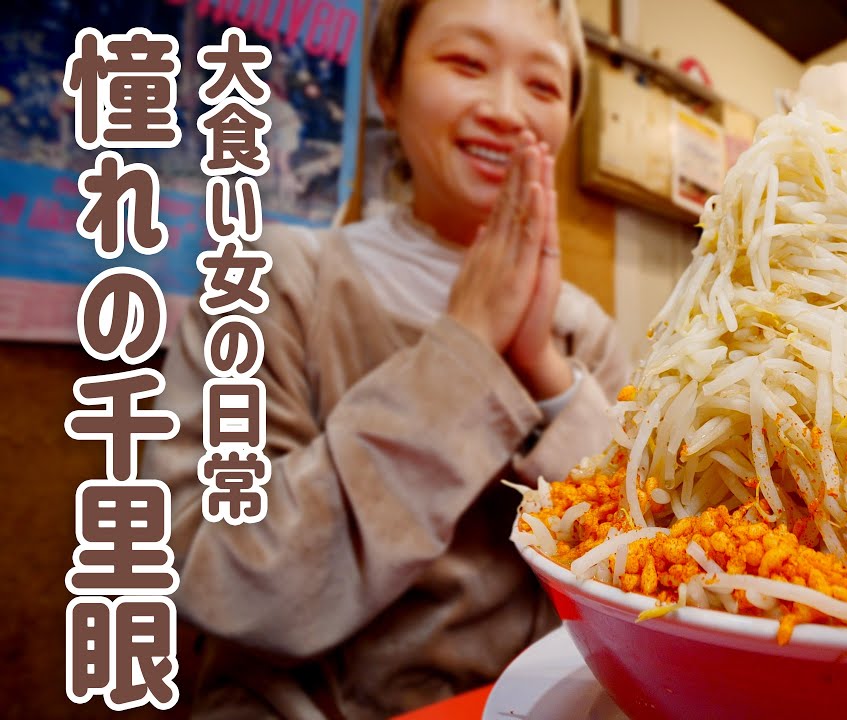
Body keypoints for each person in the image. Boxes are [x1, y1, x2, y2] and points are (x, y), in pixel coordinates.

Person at [142, 0, 628, 717]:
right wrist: (461, 347)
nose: (505, 109)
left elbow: (639, 576)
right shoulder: (276, 280)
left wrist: (547, 378)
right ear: (387, 88)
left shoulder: (583, 333)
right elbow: (218, 576)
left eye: (544, 87)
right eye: (465, 63)